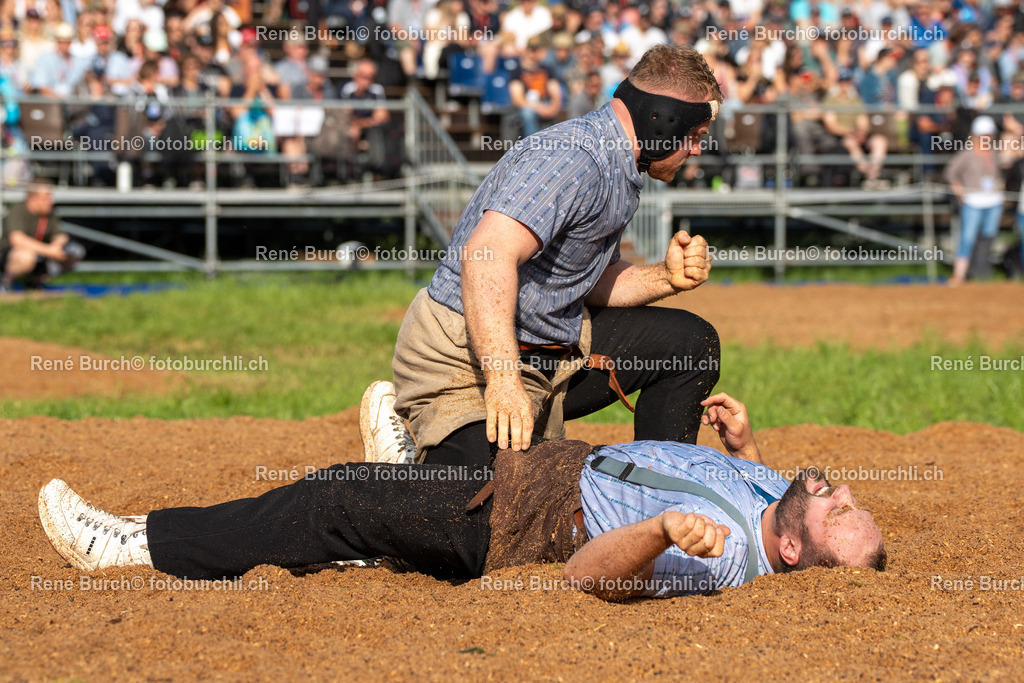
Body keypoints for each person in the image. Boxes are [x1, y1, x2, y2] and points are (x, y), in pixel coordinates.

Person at [37, 392, 887, 600]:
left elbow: (586, 576)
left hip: (525, 520)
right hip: (555, 463)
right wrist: (747, 451)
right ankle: (398, 507)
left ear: (788, 551)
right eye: (850, 497)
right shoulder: (777, 496)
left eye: (839, 512)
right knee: (411, 479)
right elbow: (779, 509)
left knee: (334, 498)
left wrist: (662, 529)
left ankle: (137, 544)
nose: (841, 489)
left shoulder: (722, 557)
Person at [370, 45, 721, 471]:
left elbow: (585, 282)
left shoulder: (618, 166)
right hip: (463, 358)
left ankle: (660, 494)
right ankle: (400, 466)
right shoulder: (575, 157)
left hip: (544, 353)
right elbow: (485, 256)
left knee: (691, 345)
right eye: (696, 135)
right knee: (496, 495)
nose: (697, 150)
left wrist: (665, 277)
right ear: (664, 121)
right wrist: (503, 381)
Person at [944, 115, 1004, 286]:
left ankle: (982, 274)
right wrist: (958, 189)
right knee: (967, 238)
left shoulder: (994, 152)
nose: (988, 138)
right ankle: (960, 274)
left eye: (989, 135)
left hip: (994, 201)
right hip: (973, 202)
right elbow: (951, 172)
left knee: (987, 238)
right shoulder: (967, 153)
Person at [0, 182, 84, 291]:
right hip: (11, 256)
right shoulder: (18, 209)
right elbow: (17, 240)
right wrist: (49, 250)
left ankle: (35, 283)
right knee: (26, 256)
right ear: (32, 198)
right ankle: (6, 283)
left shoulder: (48, 212)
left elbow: (61, 235)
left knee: (75, 251)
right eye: (46, 197)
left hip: (42, 254)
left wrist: (56, 246)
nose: (51, 201)